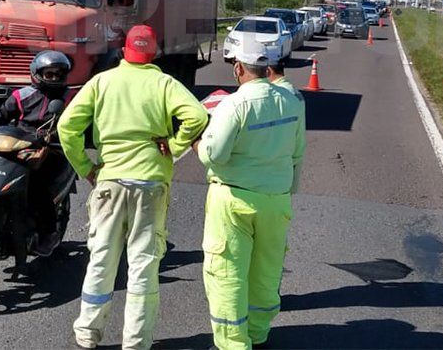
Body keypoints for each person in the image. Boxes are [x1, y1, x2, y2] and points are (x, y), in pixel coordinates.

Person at [58, 25, 210, 350]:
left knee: (101, 259)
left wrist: (86, 167)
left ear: (124, 52)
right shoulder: (164, 83)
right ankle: (137, 342)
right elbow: (197, 115)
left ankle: (87, 333)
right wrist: (175, 143)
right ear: (153, 54)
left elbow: (66, 126)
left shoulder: (102, 82)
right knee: (143, 264)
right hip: (151, 183)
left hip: (109, 181)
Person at [196, 44, 307, 350]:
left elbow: (214, 156)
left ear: (239, 69)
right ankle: (258, 333)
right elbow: (298, 152)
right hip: (276, 200)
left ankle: (233, 342)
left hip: (234, 199)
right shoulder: (293, 101)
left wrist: (198, 143)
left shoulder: (234, 104)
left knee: (228, 273)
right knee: (266, 270)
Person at [0, 50, 73, 256]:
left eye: (58, 74)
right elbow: (1, 115)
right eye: (49, 74)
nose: (54, 78)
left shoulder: (70, 98)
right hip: (16, 144)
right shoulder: (22, 95)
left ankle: (49, 233)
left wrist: (57, 136)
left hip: (51, 151)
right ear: (36, 73)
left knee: (37, 186)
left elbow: (81, 123)